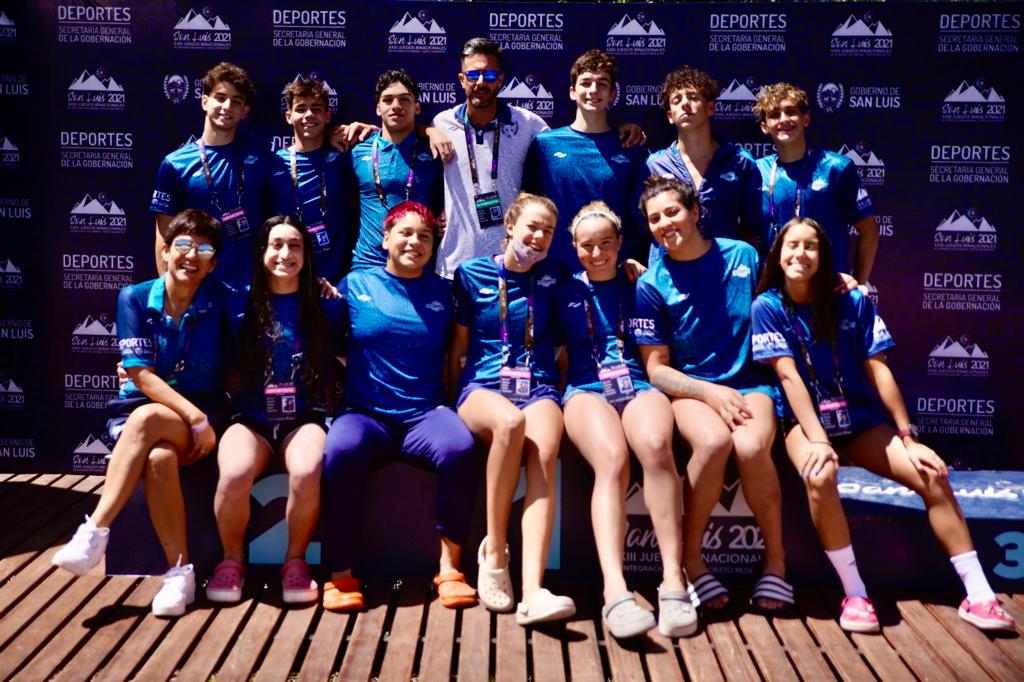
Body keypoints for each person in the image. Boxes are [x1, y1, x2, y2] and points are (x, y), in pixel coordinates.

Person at [751, 217, 1015, 633]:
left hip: (859, 421)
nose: (800, 254)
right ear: (778, 253)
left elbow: (879, 368)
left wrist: (908, 437)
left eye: (810, 246)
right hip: (804, 423)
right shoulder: (766, 306)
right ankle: (855, 593)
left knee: (931, 474)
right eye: (792, 245)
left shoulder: (852, 301)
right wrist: (819, 441)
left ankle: (979, 594)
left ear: (824, 255)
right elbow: (788, 376)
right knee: (820, 476)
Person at [53, 209, 233, 617]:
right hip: (150, 408)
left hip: (202, 413)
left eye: (204, 249)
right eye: (183, 244)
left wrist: (199, 419)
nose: (192, 255)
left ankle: (95, 530)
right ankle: (179, 574)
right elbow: (140, 375)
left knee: (148, 420)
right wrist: (193, 417)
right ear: (165, 251)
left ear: (213, 263)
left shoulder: (223, 300)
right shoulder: (133, 297)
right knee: (158, 457)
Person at [633, 176, 790, 613]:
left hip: (750, 384)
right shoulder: (650, 283)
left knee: (752, 446)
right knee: (714, 441)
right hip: (691, 389)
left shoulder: (744, 255)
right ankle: (691, 560)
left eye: (672, 212)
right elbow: (656, 369)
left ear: (696, 211)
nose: (665, 223)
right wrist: (709, 393)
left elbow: (786, 301)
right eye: (654, 219)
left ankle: (776, 562)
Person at [321, 202, 478, 612]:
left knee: (460, 448)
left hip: (424, 414)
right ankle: (339, 574)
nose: (414, 242)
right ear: (385, 238)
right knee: (339, 450)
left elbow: (458, 350)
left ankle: (450, 570)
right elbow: (329, 342)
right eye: (405, 233)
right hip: (365, 414)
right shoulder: (355, 284)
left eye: (424, 236)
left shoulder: (445, 292)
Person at [557, 202, 696, 638]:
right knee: (613, 460)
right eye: (587, 246)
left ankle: (673, 579)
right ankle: (615, 591)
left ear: (620, 243)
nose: (597, 253)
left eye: (606, 243)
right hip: (585, 389)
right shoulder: (562, 290)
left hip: (637, 383)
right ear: (574, 247)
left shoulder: (642, 285)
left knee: (655, 446)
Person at [451, 193, 573, 626]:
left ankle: (534, 591)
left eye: (548, 231)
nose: (539, 237)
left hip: (538, 387)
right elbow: (459, 348)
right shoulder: (470, 274)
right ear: (510, 226)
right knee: (509, 422)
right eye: (532, 227)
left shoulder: (555, 276)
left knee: (544, 453)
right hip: (482, 389)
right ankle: (495, 553)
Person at [433, 37, 644, 279]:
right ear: (462, 79)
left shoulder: (531, 127)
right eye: (473, 75)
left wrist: (625, 129)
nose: (481, 81)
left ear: (501, 80)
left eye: (490, 75)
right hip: (458, 263)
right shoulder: (441, 124)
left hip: (521, 262)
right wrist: (425, 130)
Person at [207, 215, 338, 605]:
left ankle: (295, 562)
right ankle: (231, 561)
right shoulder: (237, 302)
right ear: (261, 251)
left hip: (303, 417)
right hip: (251, 418)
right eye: (276, 244)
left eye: (295, 245)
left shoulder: (325, 303)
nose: (285, 253)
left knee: (308, 469)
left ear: (306, 254)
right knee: (234, 472)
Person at [524, 50, 648, 274]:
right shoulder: (544, 145)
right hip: (555, 271)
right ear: (572, 92)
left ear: (612, 94)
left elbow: (641, 216)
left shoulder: (632, 147)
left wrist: (631, 258)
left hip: (612, 270)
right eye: (586, 83)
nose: (593, 90)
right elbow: (528, 206)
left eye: (602, 84)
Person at [150, 62, 273, 289]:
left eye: (236, 101)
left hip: (249, 292)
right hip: (197, 291)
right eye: (220, 97)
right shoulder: (174, 164)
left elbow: (300, 156)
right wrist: (171, 295)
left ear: (245, 111)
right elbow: (164, 239)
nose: (227, 106)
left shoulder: (260, 153)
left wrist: (331, 139)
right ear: (205, 101)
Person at [752, 83, 879, 289]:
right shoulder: (756, 172)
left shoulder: (836, 167)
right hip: (776, 291)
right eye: (775, 115)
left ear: (806, 119)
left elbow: (869, 231)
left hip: (829, 290)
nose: (783, 119)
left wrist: (858, 284)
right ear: (765, 127)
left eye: (791, 112)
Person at [644, 66, 758, 247]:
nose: (685, 104)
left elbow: (754, 224)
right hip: (669, 264)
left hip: (724, 263)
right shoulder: (654, 165)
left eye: (693, 97)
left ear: (711, 108)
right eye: (677, 100)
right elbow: (640, 225)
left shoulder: (740, 161)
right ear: (670, 116)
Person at [350, 69, 444, 271]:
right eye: (388, 100)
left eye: (404, 99)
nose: (396, 106)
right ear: (378, 108)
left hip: (417, 262)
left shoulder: (434, 150)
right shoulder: (357, 151)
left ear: (417, 107)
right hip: (368, 265)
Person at [269, 79, 357, 283]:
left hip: (335, 281)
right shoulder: (273, 163)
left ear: (327, 116)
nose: (309, 115)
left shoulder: (343, 156)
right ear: (289, 117)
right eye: (301, 109)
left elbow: (386, 137)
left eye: (316, 109)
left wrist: (428, 130)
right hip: (288, 277)